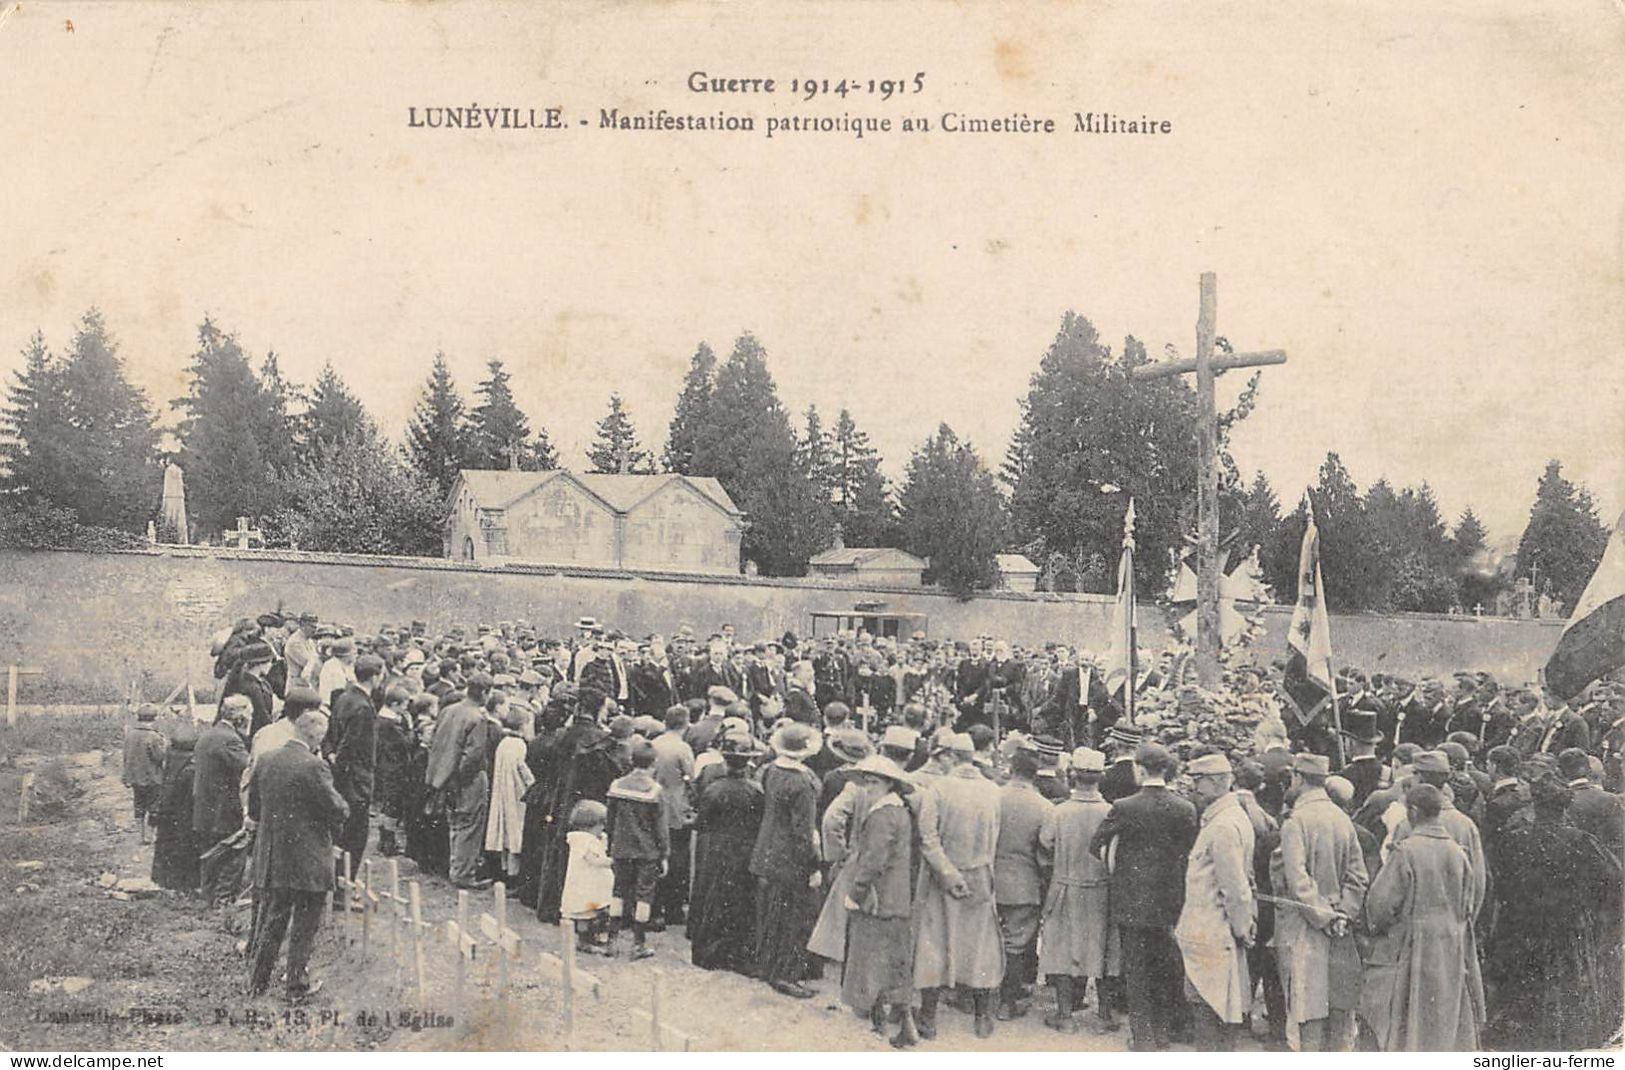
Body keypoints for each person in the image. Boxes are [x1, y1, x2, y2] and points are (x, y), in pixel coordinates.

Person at [1485, 771, 1623, 1050]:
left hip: (1522, 927)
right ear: (1565, 806)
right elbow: (1613, 881)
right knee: (1568, 986)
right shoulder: (1583, 841)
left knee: (1525, 987)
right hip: (1570, 927)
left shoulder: (1514, 839)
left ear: (1535, 804)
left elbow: (1497, 883)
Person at [1359, 783, 1484, 1051]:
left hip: (1413, 945)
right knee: (1444, 1015)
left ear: (1414, 811)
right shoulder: (1458, 852)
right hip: (1451, 944)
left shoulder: (1405, 851)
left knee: (1408, 1017)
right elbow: (1469, 901)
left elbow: (1380, 905)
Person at [1090, 741, 1198, 1051]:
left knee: (1135, 970)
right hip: (1170, 901)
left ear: (1139, 769)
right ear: (1166, 770)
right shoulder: (1185, 808)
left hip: (1131, 900)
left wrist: (1117, 867)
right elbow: (1189, 852)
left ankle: (1143, 1037)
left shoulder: (1124, 806)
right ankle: (1164, 1032)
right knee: (1164, 966)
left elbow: (1096, 845)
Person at [246, 709, 349, 1000]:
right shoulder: (314, 767)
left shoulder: (266, 760)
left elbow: (254, 810)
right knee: (305, 924)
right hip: (307, 859)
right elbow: (337, 809)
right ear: (316, 736)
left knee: (274, 920)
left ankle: (257, 982)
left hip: (275, 857)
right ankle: (296, 986)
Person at [912, 731, 1006, 1039]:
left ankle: (928, 1018)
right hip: (980, 873)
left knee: (935, 941)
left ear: (951, 756)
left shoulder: (938, 789)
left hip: (943, 877)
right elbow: (995, 834)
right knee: (980, 943)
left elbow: (928, 838)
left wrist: (948, 873)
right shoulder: (993, 791)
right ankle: (982, 1017)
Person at [1274, 752, 1368, 1052]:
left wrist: (1324, 917)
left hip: (1305, 926)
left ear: (1298, 778)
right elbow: (1358, 876)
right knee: (1338, 1007)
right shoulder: (1343, 819)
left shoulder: (1295, 822)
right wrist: (1343, 914)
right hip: (1340, 927)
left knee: (1306, 1007)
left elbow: (1297, 879)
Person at [838, 754, 921, 1049]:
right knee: (894, 962)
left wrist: (855, 894)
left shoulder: (882, 815)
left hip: (879, 899)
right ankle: (900, 1024)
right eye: (866, 781)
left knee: (871, 963)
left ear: (890, 784)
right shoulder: (900, 811)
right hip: (897, 898)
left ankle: (884, 1023)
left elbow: (873, 861)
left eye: (874, 782)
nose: (868, 787)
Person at [1175, 752, 1256, 1051]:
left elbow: (1234, 886)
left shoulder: (1222, 826)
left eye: (1199, 780)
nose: (1194, 787)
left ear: (1218, 782)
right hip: (1217, 932)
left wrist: (1241, 927)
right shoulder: (1228, 818)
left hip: (1212, 931)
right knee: (1221, 1005)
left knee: (1208, 1007)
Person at [1037, 747, 1119, 1035]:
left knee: (1062, 949)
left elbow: (1045, 844)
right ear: (1101, 776)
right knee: (1103, 950)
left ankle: (1065, 1015)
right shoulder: (1111, 811)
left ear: (1072, 774)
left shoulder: (1059, 811)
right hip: (1101, 889)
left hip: (1066, 885)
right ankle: (1105, 1015)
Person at [751, 721, 825, 998]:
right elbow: (803, 832)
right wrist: (813, 865)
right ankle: (786, 973)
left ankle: (768, 965)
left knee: (771, 913)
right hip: (790, 859)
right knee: (793, 916)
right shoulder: (802, 783)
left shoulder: (771, 771)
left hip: (767, 850)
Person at [688, 730, 765, 973]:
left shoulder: (714, 789)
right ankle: (739, 955)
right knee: (741, 902)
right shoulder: (756, 791)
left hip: (716, 851)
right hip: (744, 851)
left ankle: (709, 952)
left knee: (713, 899)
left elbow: (701, 822)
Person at [993, 747, 1051, 1021]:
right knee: (1016, 943)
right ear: (1035, 774)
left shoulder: (994, 797)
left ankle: (977, 995)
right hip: (1024, 883)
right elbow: (1046, 850)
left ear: (1011, 769)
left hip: (990, 878)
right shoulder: (1043, 807)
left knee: (988, 936)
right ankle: (1008, 1000)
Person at [425, 672, 495, 890]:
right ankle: (463, 873)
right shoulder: (477, 718)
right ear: (484, 692)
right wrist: (460, 780)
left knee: (455, 822)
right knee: (470, 824)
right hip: (467, 779)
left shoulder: (448, 710)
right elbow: (473, 756)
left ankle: (456, 866)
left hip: (442, 775)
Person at [605, 739, 668, 960]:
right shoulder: (654, 790)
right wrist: (664, 854)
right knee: (644, 895)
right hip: (647, 851)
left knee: (618, 892)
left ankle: (611, 940)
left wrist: (611, 842)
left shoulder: (616, 786)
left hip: (621, 848)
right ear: (654, 764)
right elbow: (661, 828)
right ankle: (638, 943)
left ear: (632, 761)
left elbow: (609, 820)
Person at [327, 654, 384, 891]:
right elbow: (350, 746)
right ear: (374, 677)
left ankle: (339, 881)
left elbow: (331, 735)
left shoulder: (344, 697)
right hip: (355, 780)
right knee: (355, 836)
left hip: (343, 776)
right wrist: (341, 762)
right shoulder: (362, 708)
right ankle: (343, 886)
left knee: (344, 834)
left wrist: (331, 756)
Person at [194, 696, 251, 902]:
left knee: (210, 854)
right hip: (223, 809)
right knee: (234, 853)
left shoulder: (209, 734)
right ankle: (223, 900)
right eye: (249, 716)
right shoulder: (231, 740)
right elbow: (248, 768)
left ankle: (209, 897)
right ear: (240, 717)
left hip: (205, 806)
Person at [649, 704, 697, 926]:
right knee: (678, 859)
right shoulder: (682, 748)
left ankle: (654, 908)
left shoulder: (654, 743)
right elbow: (691, 777)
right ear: (685, 724)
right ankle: (673, 909)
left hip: (655, 805)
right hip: (676, 808)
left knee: (656, 856)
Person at [150, 719, 201, 892]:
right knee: (184, 846)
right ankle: (185, 884)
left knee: (166, 844)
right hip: (185, 812)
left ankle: (165, 880)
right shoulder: (191, 766)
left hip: (167, 808)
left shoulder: (171, 758)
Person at [485, 706, 534, 881]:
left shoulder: (504, 743)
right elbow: (523, 769)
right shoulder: (520, 745)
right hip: (516, 792)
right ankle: (514, 873)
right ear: (523, 725)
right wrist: (532, 784)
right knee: (515, 831)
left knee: (505, 830)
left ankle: (504, 869)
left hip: (503, 790)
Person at [560, 800, 615, 955]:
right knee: (584, 913)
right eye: (600, 825)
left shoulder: (591, 839)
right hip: (584, 884)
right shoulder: (583, 840)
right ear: (590, 825)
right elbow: (594, 860)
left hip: (592, 883)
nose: (603, 828)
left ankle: (592, 937)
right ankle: (583, 942)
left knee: (594, 912)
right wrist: (612, 862)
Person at [373, 685, 415, 858]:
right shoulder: (390, 723)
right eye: (404, 704)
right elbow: (407, 743)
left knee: (387, 804)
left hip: (384, 766)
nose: (406, 708)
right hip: (394, 767)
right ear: (395, 704)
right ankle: (388, 842)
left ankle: (384, 840)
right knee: (393, 805)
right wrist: (411, 727)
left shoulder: (381, 718)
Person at [123, 703, 168, 845]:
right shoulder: (154, 737)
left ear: (138, 717)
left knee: (139, 805)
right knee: (154, 806)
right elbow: (159, 757)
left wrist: (126, 775)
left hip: (135, 777)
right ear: (154, 718)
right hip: (152, 778)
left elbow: (125, 756)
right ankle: (150, 835)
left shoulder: (130, 735)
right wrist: (164, 745)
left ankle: (139, 836)